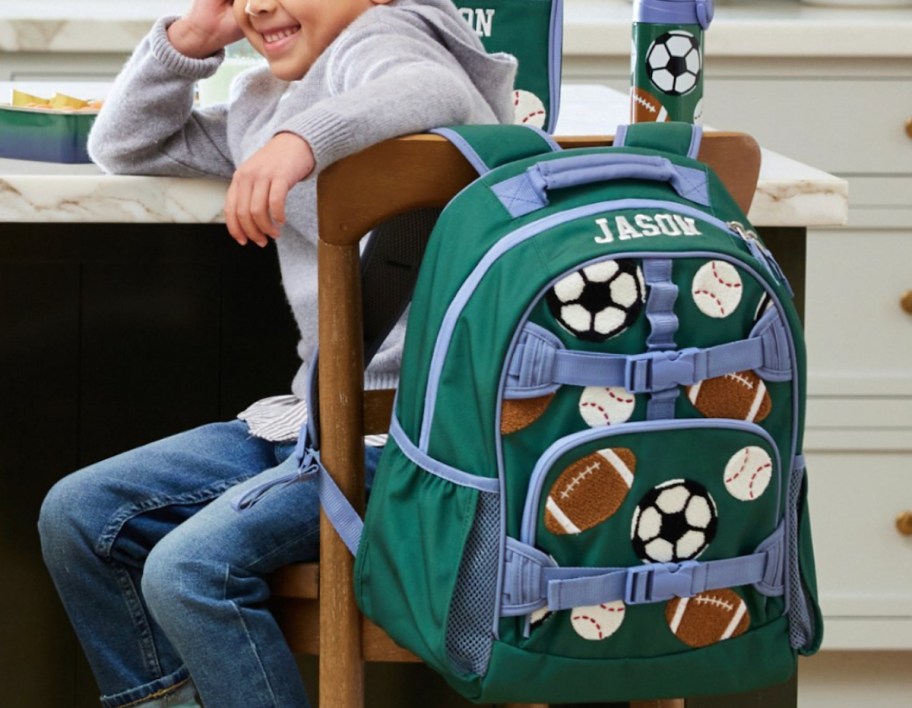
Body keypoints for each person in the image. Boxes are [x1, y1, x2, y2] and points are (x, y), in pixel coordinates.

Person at [37, 0, 516, 706]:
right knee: (79, 514)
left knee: (188, 571)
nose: (259, 4)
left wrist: (301, 141)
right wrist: (189, 41)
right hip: (314, 423)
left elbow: (430, 88)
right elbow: (127, 145)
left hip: (417, 445)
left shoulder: (386, 34)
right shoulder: (263, 99)